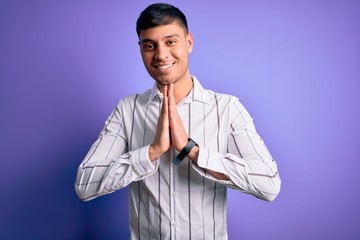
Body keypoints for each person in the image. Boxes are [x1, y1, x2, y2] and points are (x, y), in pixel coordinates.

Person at [75, 3, 281, 239]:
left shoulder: (226, 108)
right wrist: (151, 152)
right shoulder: (127, 110)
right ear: (140, 50)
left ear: (189, 42)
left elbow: (269, 185)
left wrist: (193, 151)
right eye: (150, 46)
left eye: (170, 42)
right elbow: (84, 185)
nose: (161, 55)